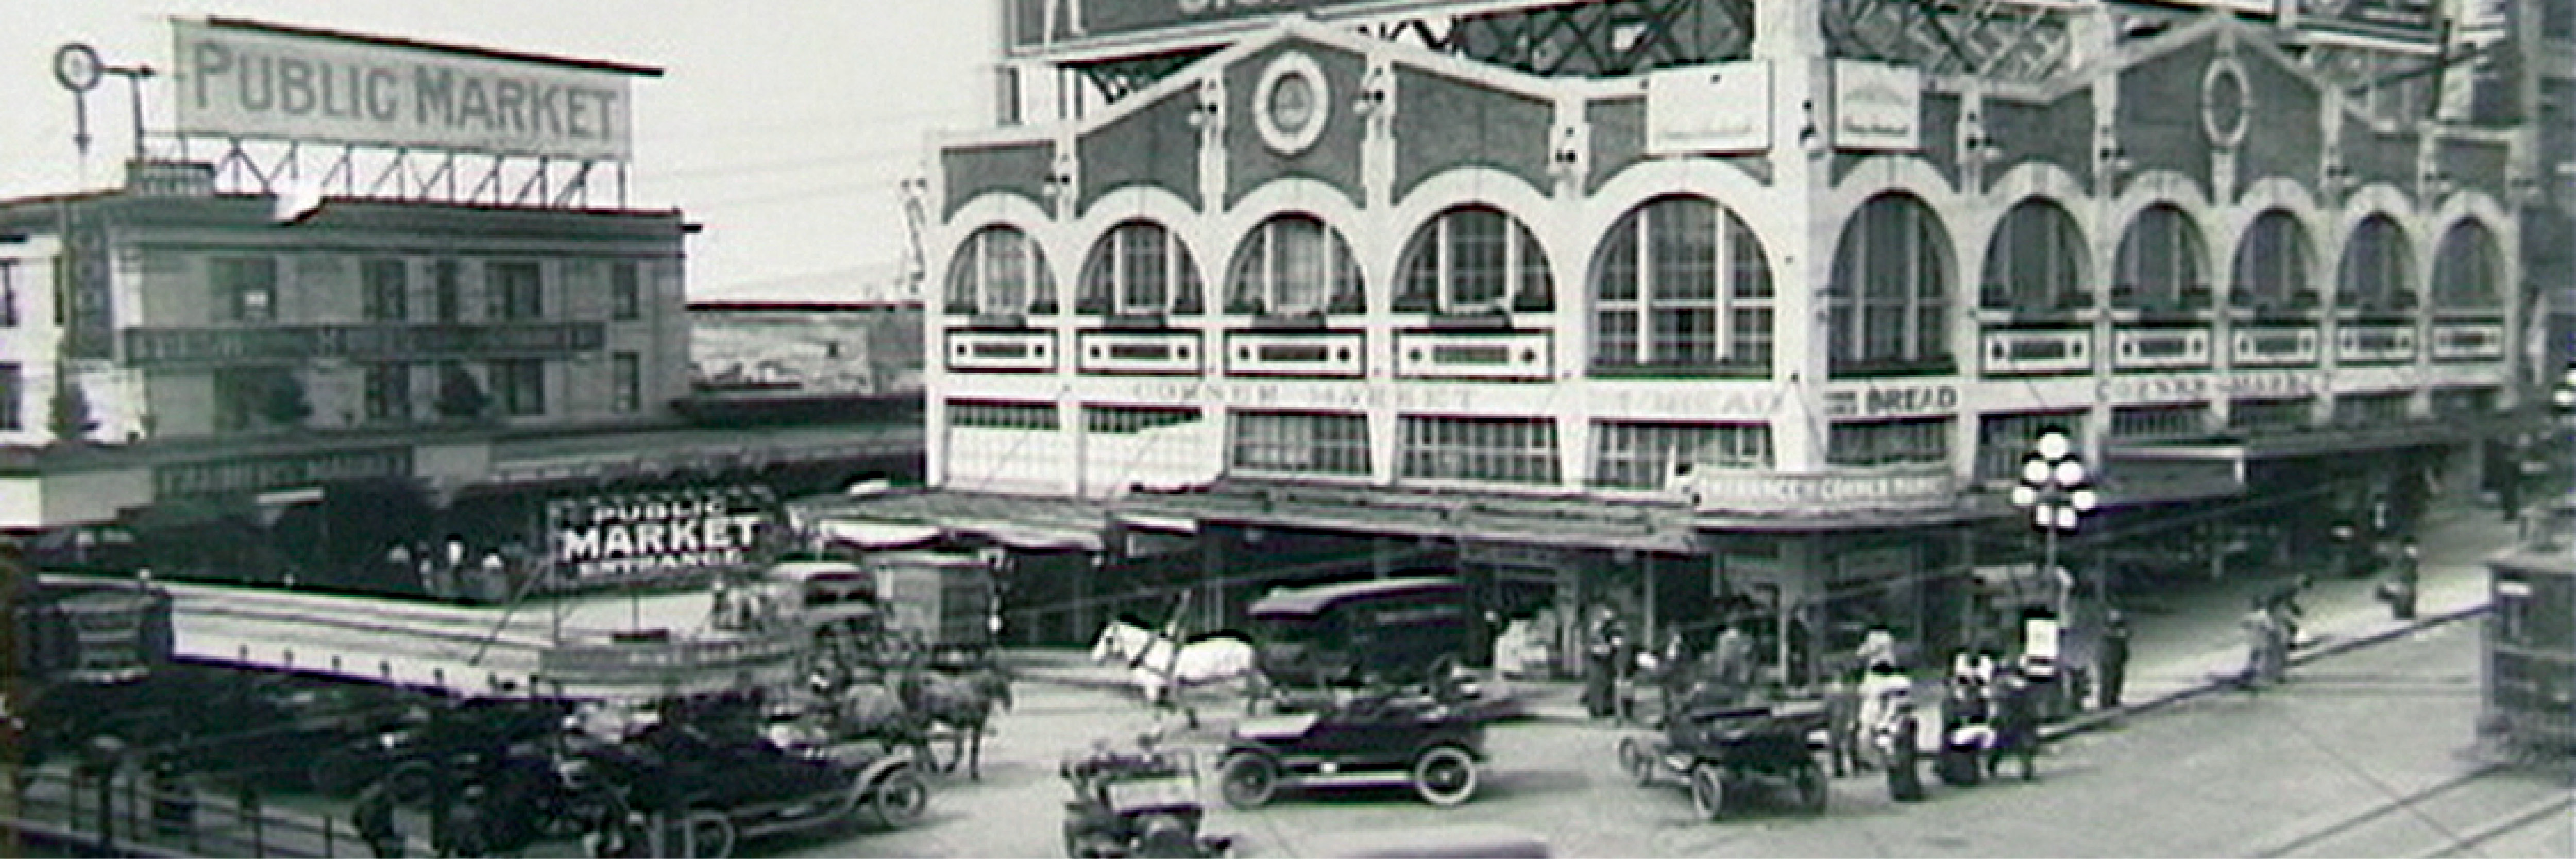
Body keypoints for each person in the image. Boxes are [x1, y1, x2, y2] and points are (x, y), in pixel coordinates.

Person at [1822, 668, 1863, 777]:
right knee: (1835, 746)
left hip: (1847, 720)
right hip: (1835, 721)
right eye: (1836, 677)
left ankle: (1856, 768)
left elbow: (1855, 706)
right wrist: (1827, 721)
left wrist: (1853, 720)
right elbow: (1827, 708)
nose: (1838, 679)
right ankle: (1838, 770)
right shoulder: (1829, 691)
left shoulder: (1851, 690)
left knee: (1851, 746)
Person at [1884, 699, 1925, 802]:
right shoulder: (1898, 722)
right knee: (1899, 772)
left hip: (1906, 750)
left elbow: (1904, 736)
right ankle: (1901, 793)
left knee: (1906, 773)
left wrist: (1892, 737)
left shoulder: (1910, 722)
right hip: (1900, 750)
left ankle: (1910, 794)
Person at [352, 778, 405, 858]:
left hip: (370, 831)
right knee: (395, 845)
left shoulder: (369, 795)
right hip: (375, 832)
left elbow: (356, 817)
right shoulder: (380, 798)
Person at [2095, 610, 2132, 710]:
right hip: (2109, 658)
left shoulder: (2120, 630)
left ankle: (2113, 699)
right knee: (2108, 680)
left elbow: (2127, 636)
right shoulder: (2107, 631)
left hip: (2116, 658)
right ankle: (2106, 701)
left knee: (2117, 679)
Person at [2379, 540, 2421, 621]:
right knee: (2406, 594)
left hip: (2405, 585)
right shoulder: (2402, 560)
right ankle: (2402, 612)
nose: (2415, 551)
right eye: (2412, 549)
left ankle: (2406, 612)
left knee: (2410, 595)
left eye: (2415, 549)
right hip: (2401, 585)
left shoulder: (2412, 561)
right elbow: (2399, 574)